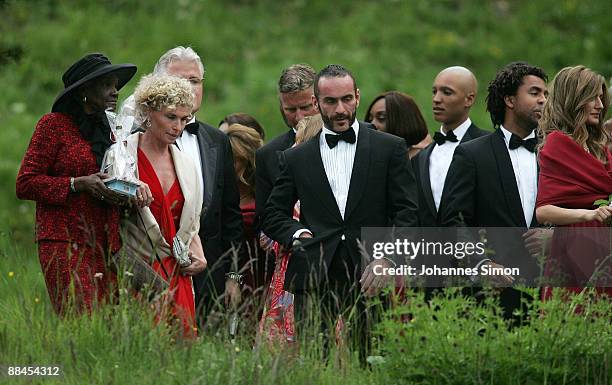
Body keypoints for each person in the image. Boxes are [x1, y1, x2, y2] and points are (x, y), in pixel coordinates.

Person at [262, 64, 418, 356]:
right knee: (313, 364)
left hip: (372, 274)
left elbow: (407, 212)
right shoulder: (296, 158)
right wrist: (297, 233)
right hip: (314, 276)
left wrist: (387, 258)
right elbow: (272, 214)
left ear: (358, 97)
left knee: (371, 361)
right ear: (316, 103)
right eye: (331, 102)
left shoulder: (390, 148)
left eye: (347, 99)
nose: (340, 109)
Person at [15, 53, 143, 315]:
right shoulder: (53, 126)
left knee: (107, 326)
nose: (115, 91)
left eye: (116, 85)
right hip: (64, 241)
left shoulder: (112, 131)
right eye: (107, 84)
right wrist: (77, 184)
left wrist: (125, 194)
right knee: (80, 321)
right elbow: (25, 183)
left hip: (106, 243)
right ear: (85, 90)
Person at [440, 62, 549, 320]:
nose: (543, 100)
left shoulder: (553, 153)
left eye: (546, 94)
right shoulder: (472, 154)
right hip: (490, 298)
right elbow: (454, 222)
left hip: (550, 294)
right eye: (534, 93)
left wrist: (555, 238)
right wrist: (481, 264)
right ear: (510, 100)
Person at [153, 46, 244, 322]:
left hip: (211, 276)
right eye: (179, 80)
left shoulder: (217, 141)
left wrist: (234, 276)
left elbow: (231, 216)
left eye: (194, 81)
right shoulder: (137, 140)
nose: (188, 88)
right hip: (154, 269)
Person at [122, 73, 207, 336]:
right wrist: (127, 189)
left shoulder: (187, 165)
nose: (178, 127)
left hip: (177, 272)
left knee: (183, 357)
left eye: (184, 119)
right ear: (148, 112)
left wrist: (199, 255)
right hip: (138, 271)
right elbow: (104, 210)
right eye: (171, 117)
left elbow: (191, 222)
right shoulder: (122, 156)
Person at [535, 65, 612, 299]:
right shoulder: (558, 143)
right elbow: (543, 211)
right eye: (593, 97)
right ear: (574, 99)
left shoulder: (600, 145)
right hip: (574, 249)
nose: (600, 105)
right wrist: (588, 215)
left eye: (601, 97)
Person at [412, 66, 487, 227]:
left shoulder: (488, 147)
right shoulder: (420, 157)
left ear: (469, 99)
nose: (436, 99)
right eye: (434, 91)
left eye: (447, 92)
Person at [255, 64, 318, 227]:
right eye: (290, 109)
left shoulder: (350, 140)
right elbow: (265, 220)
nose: (299, 116)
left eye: (305, 107)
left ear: (319, 100)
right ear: (281, 107)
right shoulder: (267, 155)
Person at [220, 123, 266, 292]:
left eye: (233, 158)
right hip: (225, 278)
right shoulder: (218, 192)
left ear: (247, 160)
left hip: (261, 277)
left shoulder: (265, 195)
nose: (226, 163)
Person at [364, 91, 432, 159]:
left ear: (403, 122)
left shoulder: (423, 161)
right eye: (370, 120)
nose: (372, 124)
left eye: (381, 118)